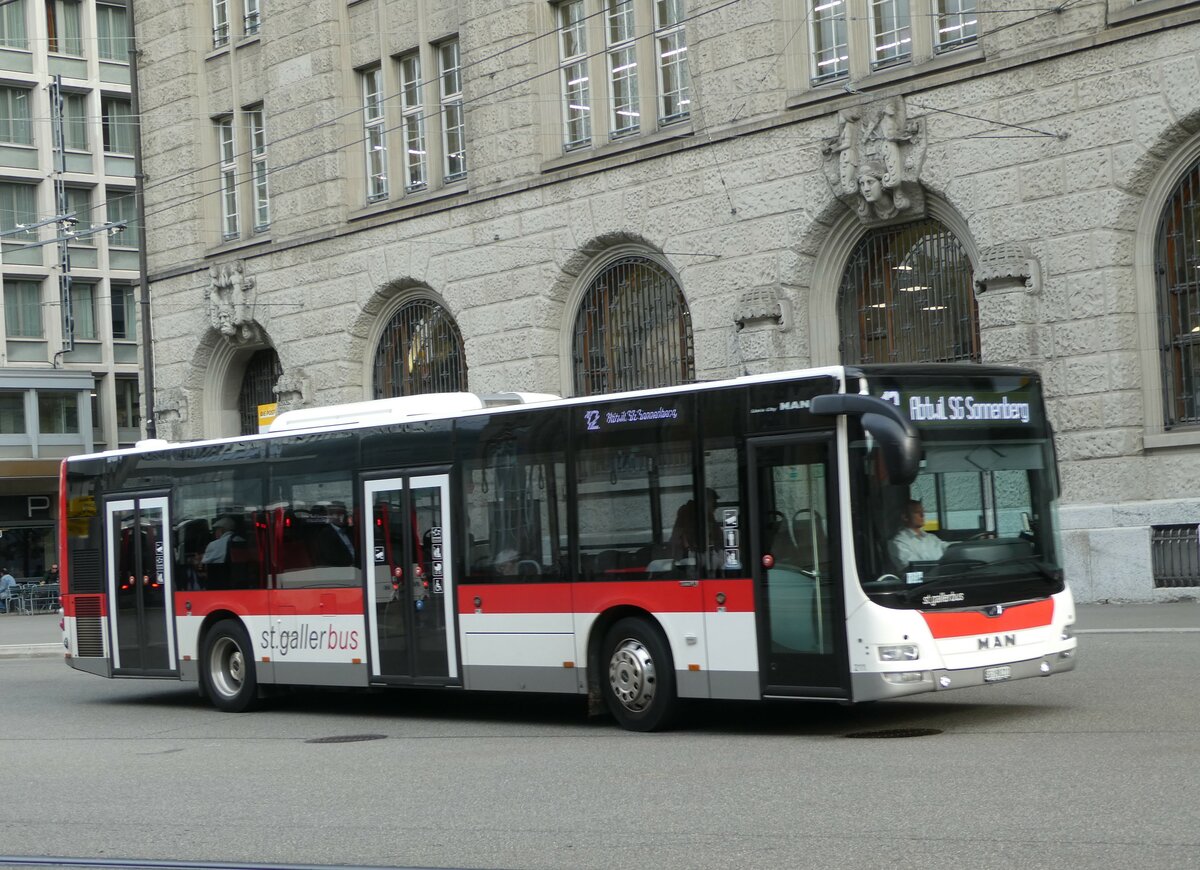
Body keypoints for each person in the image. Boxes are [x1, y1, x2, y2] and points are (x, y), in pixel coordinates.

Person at [888, 499, 949, 570]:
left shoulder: (932, 539)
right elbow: (913, 567)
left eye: (923, 512)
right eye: (917, 512)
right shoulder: (898, 542)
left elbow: (950, 549)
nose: (922, 515)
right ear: (905, 517)